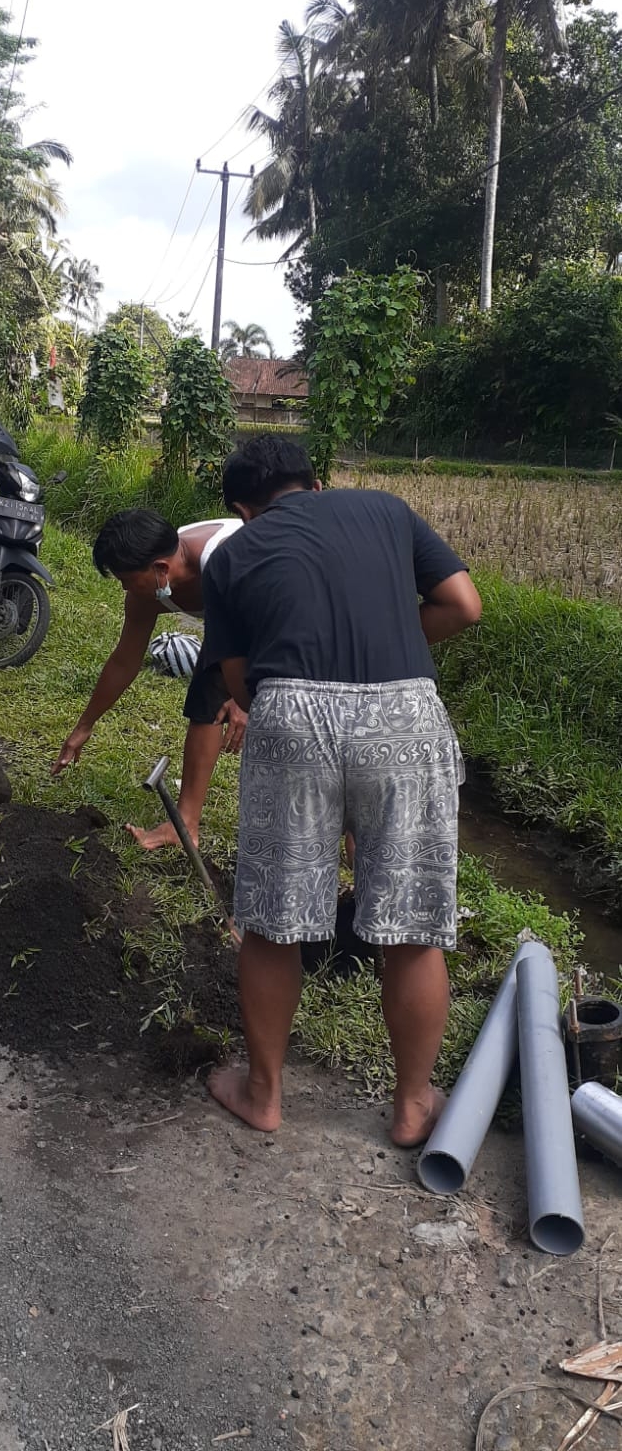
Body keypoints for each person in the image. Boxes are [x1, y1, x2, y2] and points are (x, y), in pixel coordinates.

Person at [199, 434, 482, 1146]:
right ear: (315, 482)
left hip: (291, 713)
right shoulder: (387, 510)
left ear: (243, 508)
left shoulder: (231, 554)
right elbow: (465, 606)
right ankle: (413, 1106)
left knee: (273, 921)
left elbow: (239, 684)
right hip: (404, 713)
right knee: (414, 929)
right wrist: (396, 640)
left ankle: (264, 1096)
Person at [52, 508, 247, 849]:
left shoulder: (227, 561)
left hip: (296, 604)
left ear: (160, 570)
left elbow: (272, 622)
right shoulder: (149, 594)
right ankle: (184, 825)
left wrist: (245, 696)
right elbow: (124, 661)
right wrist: (85, 724)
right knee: (207, 694)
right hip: (237, 621)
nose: (125, 589)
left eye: (127, 580)